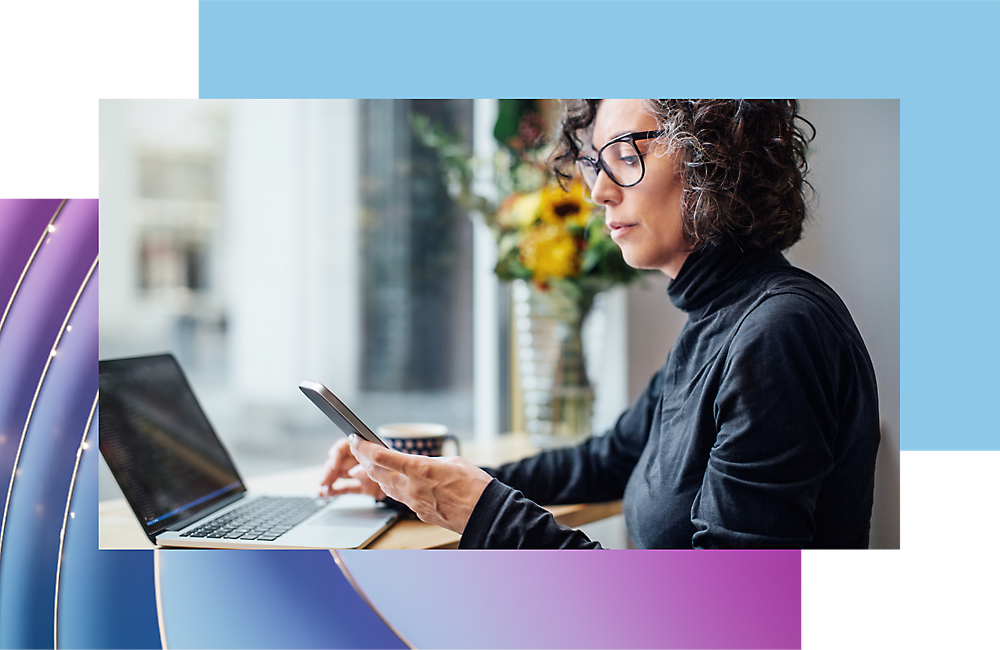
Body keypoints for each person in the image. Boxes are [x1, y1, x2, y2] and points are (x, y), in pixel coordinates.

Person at [319, 99, 881, 549]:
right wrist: (423, 484)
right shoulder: (719, 321)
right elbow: (604, 461)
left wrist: (484, 514)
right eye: (595, 161)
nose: (597, 191)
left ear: (716, 158)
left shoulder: (777, 332)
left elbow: (730, 614)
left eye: (626, 154)